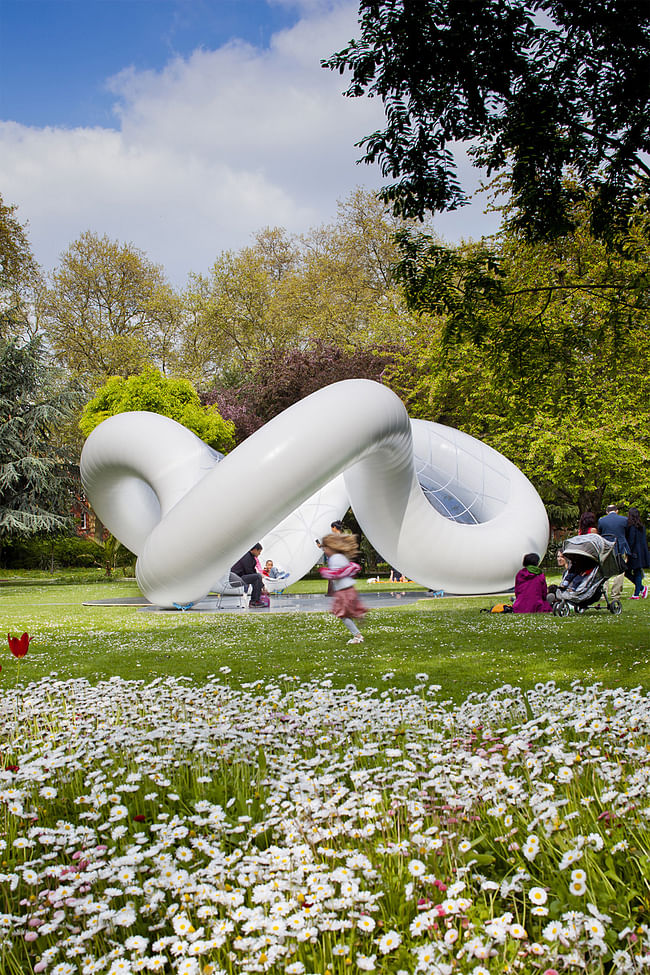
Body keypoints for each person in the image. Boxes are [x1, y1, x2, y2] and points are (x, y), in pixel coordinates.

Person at [319, 532, 367, 644]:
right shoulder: (341, 557)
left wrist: (324, 572)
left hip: (343, 591)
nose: (324, 551)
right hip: (349, 589)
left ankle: (358, 635)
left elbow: (337, 574)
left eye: (325, 548)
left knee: (342, 614)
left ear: (331, 547)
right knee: (345, 612)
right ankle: (358, 614)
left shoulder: (335, 558)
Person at [597, 504, 630, 600]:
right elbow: (626, 534)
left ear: (607, 512)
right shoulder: (624, 520)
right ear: (617, 511)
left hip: (606, 548)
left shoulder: (601, 520)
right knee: (620, 570)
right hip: (620, 547)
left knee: (604, 570)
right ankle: (616, 594)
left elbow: (600, 534)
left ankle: (603, 594)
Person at [625, 507, 649, 599]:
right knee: (637, 572)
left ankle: (637, 593)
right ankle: (641, 588)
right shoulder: (641, 526)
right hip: (641, 552)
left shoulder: (632, 527)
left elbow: (631, 540)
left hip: (634, 552)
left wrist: (628, 552)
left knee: (630, 572)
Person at [231, 543, 265, 607]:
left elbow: (253, 573)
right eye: (259, 551)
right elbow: (249, 571)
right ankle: (254, 601)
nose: (259, 554)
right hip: (236, 578)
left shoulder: (252, 559)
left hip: (241, 577)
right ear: (254, 550)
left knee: (257, 577)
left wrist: (262, 586)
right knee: (257, 577)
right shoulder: (246, 556)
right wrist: (261, 586)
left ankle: (255, 601)